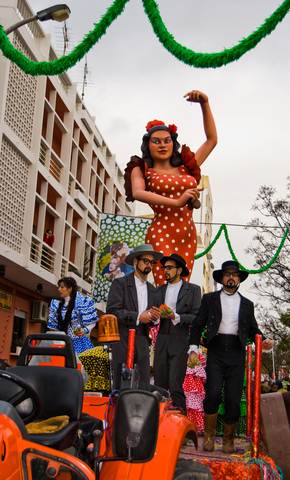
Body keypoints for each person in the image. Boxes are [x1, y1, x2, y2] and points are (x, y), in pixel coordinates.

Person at [124, 90, 217, 285]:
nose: (162, 145)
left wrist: (204, 104)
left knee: (182, 285)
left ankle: (175, 316)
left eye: (167, 141)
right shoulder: (142, 169)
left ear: (173, 143)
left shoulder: (187, 166)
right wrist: (177, 201)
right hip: (162, 230)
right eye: (156, 141)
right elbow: (138, 193)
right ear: (147, 145)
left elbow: (211, 140)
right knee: (164, 281)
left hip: (187, 233)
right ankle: (162, 315)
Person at [188, 260, 273, 453]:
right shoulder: (209, 299)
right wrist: (193, 347)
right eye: (227, 274)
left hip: (236, 352)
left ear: (239, 279)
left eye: (234, 274)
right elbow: (198, 324)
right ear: (222, 278)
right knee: (213, 393)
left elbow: (253, 329)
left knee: (233, 399)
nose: (231, 277)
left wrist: (264, 340)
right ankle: (209, 437)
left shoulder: (247, 304)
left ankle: (228, 440)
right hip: (216, 350)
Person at [106, 244, 162, 389]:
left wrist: (154, 317)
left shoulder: (153, 290)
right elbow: (112, 311)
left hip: (143, 341)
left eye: (152, 262)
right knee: (121, 386)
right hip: (123, 339)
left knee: (143, 384)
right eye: (146, 261)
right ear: (136, 262)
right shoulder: (120, 283)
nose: (149, 265)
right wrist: (138, 317)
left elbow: (151, 319)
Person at [154, 254, 201, 413]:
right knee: (159, 383)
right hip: (161, 338)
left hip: (180, 338)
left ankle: (180, 423)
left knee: (175, 384)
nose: (165, 271)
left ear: (179, 270)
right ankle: (159, 422)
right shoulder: (158, 290)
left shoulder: (193, 290)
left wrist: (177, 316)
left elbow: (197, 317)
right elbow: (152, 313)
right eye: (164, 268)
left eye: (169, 268)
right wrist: (154, 317)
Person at [48, 277, 97, 354]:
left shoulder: (81, 302)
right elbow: (53, 328)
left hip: (79, 343)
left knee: (77, 363)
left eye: (62, 287)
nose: (59, 289)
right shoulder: (56, 305)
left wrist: (84, 330)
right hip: (61, 342)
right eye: (59, 287)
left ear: (70, 289)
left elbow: (92, 322)